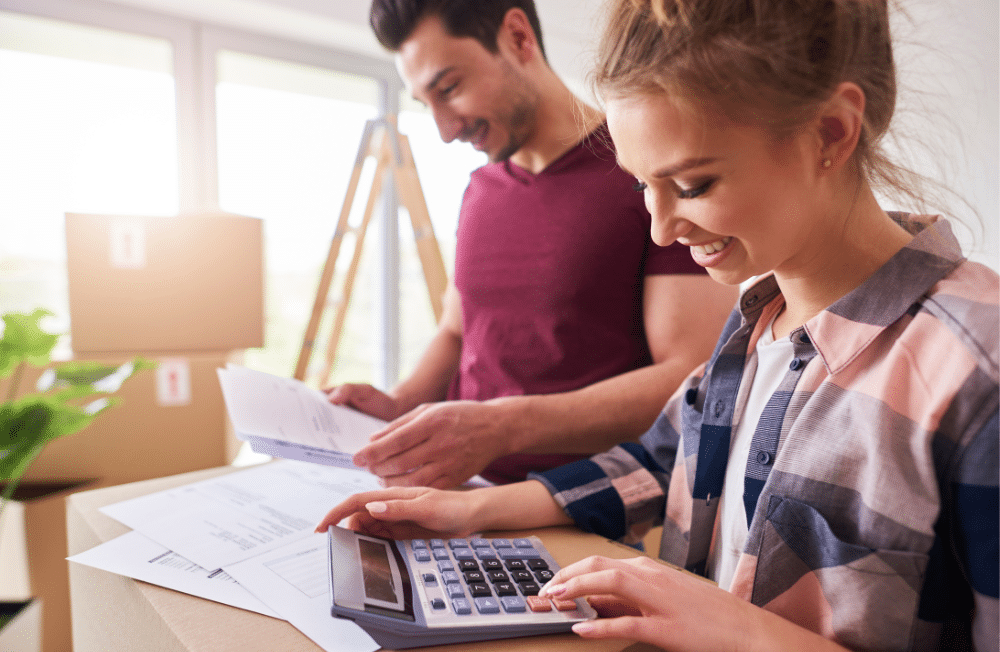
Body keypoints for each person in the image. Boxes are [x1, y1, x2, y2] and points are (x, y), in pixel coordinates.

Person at [318, 0, 1000, 649]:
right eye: (643, 184)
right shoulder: (755, 324)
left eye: (693, 185)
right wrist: (470, 512)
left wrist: (737, 631)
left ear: (830, 132)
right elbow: (659, 461)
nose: (662, 227)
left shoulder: (976, 375)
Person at [326, 0, 738, 488]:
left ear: (518, 37)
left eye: (450, 89)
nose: (444, 129)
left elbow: (689, 377)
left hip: (581, 505)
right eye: (426, 104)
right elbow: (458, 333)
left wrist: (502, 427)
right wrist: (398, 404)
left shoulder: (644, 175)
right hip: (457, 491)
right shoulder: (479, 190)